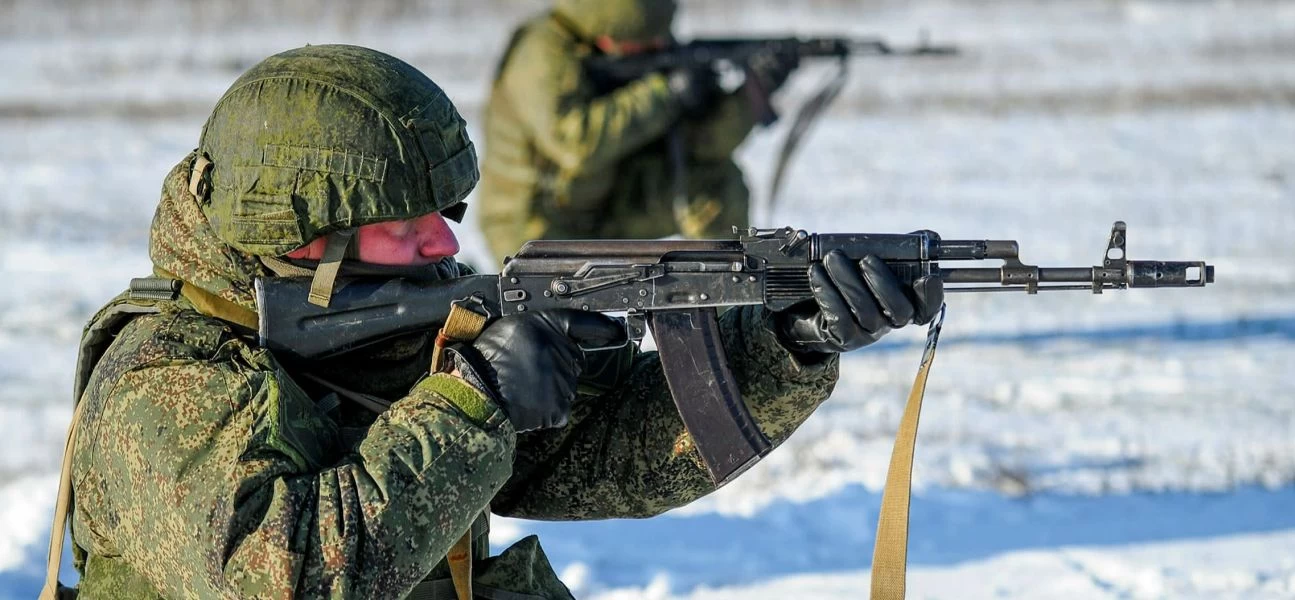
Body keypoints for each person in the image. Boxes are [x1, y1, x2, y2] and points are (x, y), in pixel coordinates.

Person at [55, 45, 941, 599]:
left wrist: (787, 342)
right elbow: (289, 577)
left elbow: (602, 461)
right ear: (303, 240)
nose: (447, 238)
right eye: (407, 225)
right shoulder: (164, 379)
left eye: (445, 210)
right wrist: (471, 403)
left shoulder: (379, 320)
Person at [477, 0, 796, 261]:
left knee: (716, 185)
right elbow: (575, 145)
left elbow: (701, 145)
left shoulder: (646, 53)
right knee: (563, 333)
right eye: (645, 39)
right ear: (609, 33)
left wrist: (751, 95)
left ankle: (728, 316)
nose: (658, 45)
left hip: (610, 205)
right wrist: (664, 93)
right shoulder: (541, 53)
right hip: (536, 227)